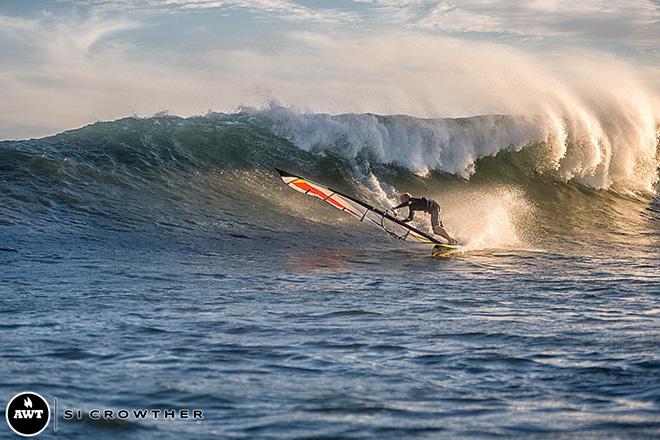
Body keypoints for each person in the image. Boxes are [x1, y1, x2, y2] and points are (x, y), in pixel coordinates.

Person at [389, 193, 458, 245]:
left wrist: (395, 208)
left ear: (406, 198)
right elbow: (410, 218)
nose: (401, 201)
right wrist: (401, 221)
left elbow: (407, 203)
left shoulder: (412, 200)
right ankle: (452, 240)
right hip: (432, 209)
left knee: (436, 227)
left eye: (402, 199)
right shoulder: (411, 207)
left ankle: (450, 240)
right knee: (436, 231)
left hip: (434, 207)